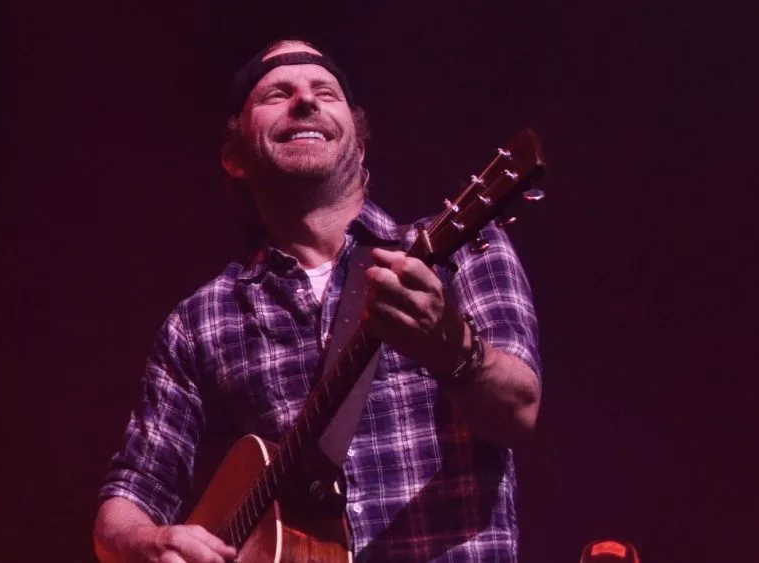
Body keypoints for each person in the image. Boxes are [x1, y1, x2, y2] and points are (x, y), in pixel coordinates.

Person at [93, 39, 541, 563]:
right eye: (277, 94)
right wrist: (146, 542)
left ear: (359, 144)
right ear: (235, 157)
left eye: (325, 92)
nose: (305, 100)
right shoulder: (200, 321)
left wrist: (452, 349)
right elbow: (129, 496)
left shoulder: (463, 250)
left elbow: (519, 412)